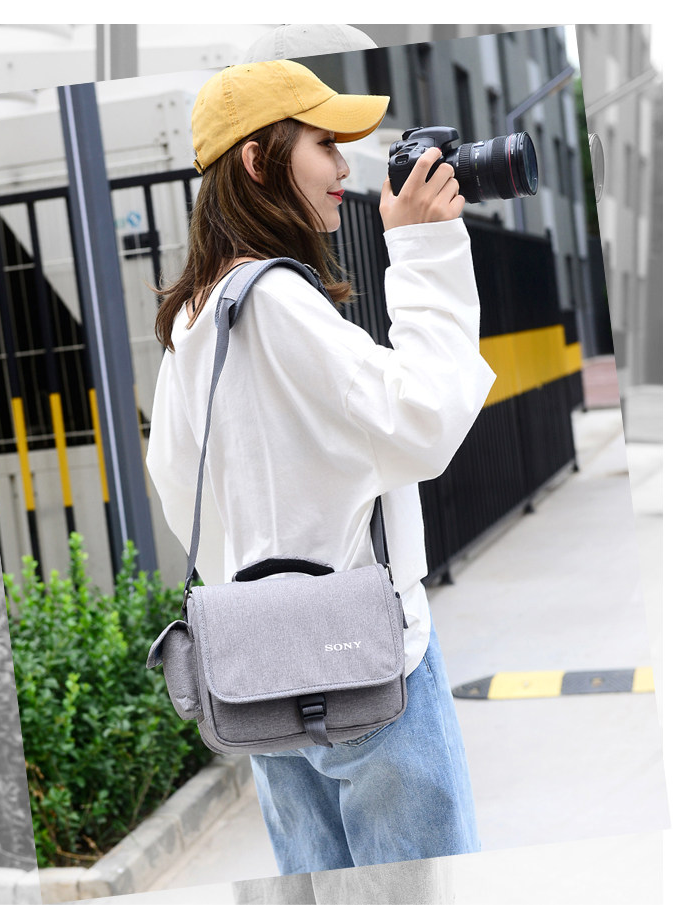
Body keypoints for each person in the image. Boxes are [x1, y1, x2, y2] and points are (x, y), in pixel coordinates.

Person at [146, 59, 496, 875]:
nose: (344, 166)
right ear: (256, 161)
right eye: (323, 144)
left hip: (259, 675)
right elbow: (422, 420)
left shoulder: (192, 319)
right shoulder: (277, 300)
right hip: (363, 661)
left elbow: (178, 486)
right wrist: (423, 248)